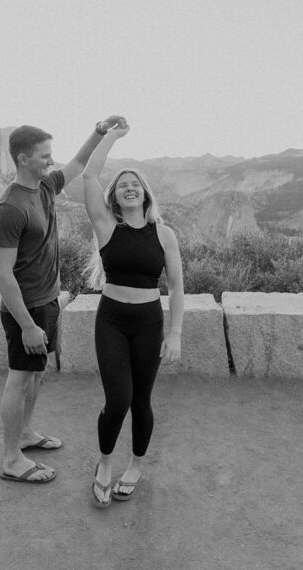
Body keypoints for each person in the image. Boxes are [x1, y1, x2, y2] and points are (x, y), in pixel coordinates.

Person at [0, 117, 127, 484]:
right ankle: (11, 459)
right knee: (19, 379)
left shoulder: (45, 187)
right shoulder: (9, 209)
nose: (51, 162)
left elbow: (78, 166)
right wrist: (28, 325)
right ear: (22, 159)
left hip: (47, 300)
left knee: (35, 376)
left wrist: (99, 133)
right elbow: (2, 274)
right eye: (44, 156)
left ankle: (25, 434)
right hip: (26, 310)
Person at [80, 122, 185, 507]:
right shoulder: (107, 227)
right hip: (111, 321)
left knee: (142, 400)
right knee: (118, 399)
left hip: (147, 323)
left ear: (145, 193)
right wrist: (112, 136)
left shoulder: (164, 234)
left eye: (135, 183)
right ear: (115, 196)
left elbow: (175, 287)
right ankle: (105, 463)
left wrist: (173, 334)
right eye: (122, 183)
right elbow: (89, 174)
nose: (128, 187)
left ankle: (136, 465)